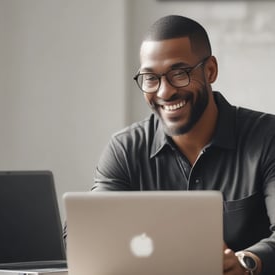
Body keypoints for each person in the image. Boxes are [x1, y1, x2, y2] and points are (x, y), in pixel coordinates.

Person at [92, 15, 275, 275]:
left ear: (210, 70)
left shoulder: (268, 137)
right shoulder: (125, 149)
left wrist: (246, 261)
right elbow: (90, 234)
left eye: (179, 74)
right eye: (151, 78)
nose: (164, 92)